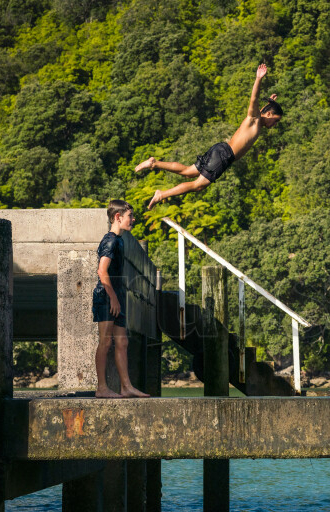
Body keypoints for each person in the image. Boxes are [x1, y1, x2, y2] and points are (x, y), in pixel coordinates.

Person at [137, 63, 283, 207]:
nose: (274, 125)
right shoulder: (254, 120)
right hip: (225, 155)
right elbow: (254, 99)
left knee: (188, 172)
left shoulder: (259, 118)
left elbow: (262, 108)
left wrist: (271, 101)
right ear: (269, 114)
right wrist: (258, 79)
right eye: (275, 121)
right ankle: (161, 194)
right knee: (198, 185)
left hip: (220, 150)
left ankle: (154, 163)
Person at [93, 200, 149, 398]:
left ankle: (126, 387)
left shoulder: (120, 240)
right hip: (106, 296)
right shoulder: (110, 240)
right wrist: (113, 298)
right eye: (130, 216)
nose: (133, 220)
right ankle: (101, 388)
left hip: (116, 296)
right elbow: (102, 270)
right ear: (118, 217)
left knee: (122, 342)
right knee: (105, 342)